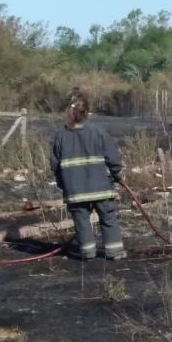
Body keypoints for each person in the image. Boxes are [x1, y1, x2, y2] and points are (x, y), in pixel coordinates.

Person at [49, 96, 127, 261]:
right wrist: (116, 175)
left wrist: (63, 185)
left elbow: (55, 165)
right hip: (101, 187)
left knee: (81, 221)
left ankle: (87, 253)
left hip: (75, 190)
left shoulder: (61, 135)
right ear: (88, 113)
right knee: (108, 218)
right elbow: (112, 158)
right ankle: (115, 253)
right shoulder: (98, 132)